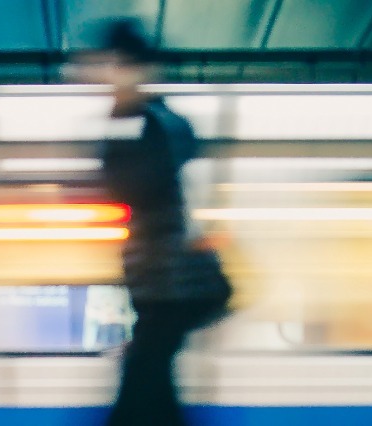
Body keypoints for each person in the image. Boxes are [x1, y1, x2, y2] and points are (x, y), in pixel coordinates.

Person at [71, 18, 232, 426]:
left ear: (131, 67)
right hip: (159, 288)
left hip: (172, 287)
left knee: (140, 392)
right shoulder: (146, 121)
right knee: (153, 393)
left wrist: (116, 118)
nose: (101, 77)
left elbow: (127, 185)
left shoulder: (153, 124)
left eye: (108, 65)